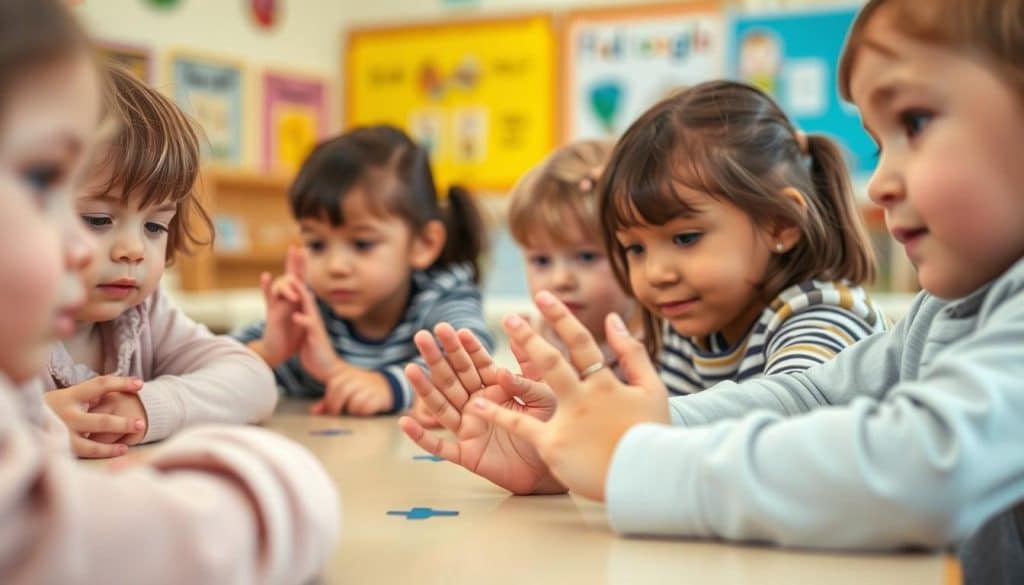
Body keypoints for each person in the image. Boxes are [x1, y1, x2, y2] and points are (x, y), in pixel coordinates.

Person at [0, 0, 339, 581]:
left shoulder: (140, 314)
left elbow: (251, 379)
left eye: (155, 225)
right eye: (98, 218)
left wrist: (143, 409)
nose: (128, 250)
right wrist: (43, 425)